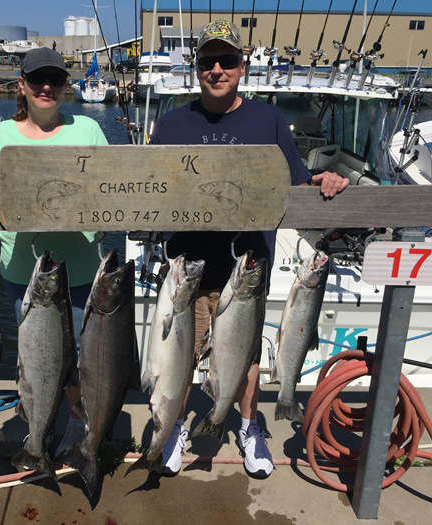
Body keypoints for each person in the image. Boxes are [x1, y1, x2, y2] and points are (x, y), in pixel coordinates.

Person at [148, 20, 349, 479]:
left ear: (243, 66)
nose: (216, 69)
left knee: (247, 357)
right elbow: (148, 190)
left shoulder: (268, 119)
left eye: (227, 61)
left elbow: (295, 181)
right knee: (181, 352)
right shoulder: (173, 123)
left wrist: (323, 181)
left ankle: (246, 425)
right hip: (190, 267)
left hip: (248, 265)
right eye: (206, 61)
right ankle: (177, 424)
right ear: (195, 68)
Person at [0, 47, 108, 457]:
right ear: (21, 85)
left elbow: (113, 191)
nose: (46, 87)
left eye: (55, 80)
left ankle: (76, 426)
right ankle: (36, 424)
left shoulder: (89, 131)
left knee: (75, 357)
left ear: (64, 86)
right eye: (37, 79)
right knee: (32, 359)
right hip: (23, 272)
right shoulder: (1, 136)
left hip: (77, 271)